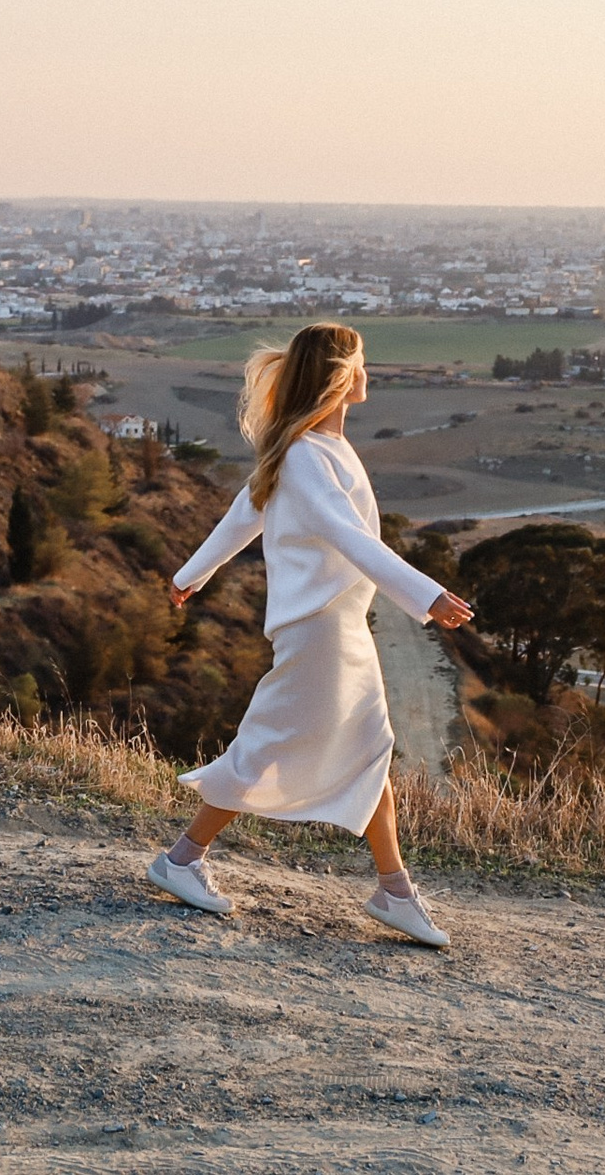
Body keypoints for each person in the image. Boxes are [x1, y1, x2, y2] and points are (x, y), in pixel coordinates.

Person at [148, 322, 477, 946]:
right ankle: (182, 859)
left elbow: (244, 512)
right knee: (272, 743)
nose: (367, 373)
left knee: (370, 744)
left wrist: (191, 574)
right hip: (319, 628)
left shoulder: (311, 448)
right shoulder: (303, 455)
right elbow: (350, 538)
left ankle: (394, 889)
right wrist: (426, 596)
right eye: (360, 363)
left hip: (339, 624)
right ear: (339, 376)